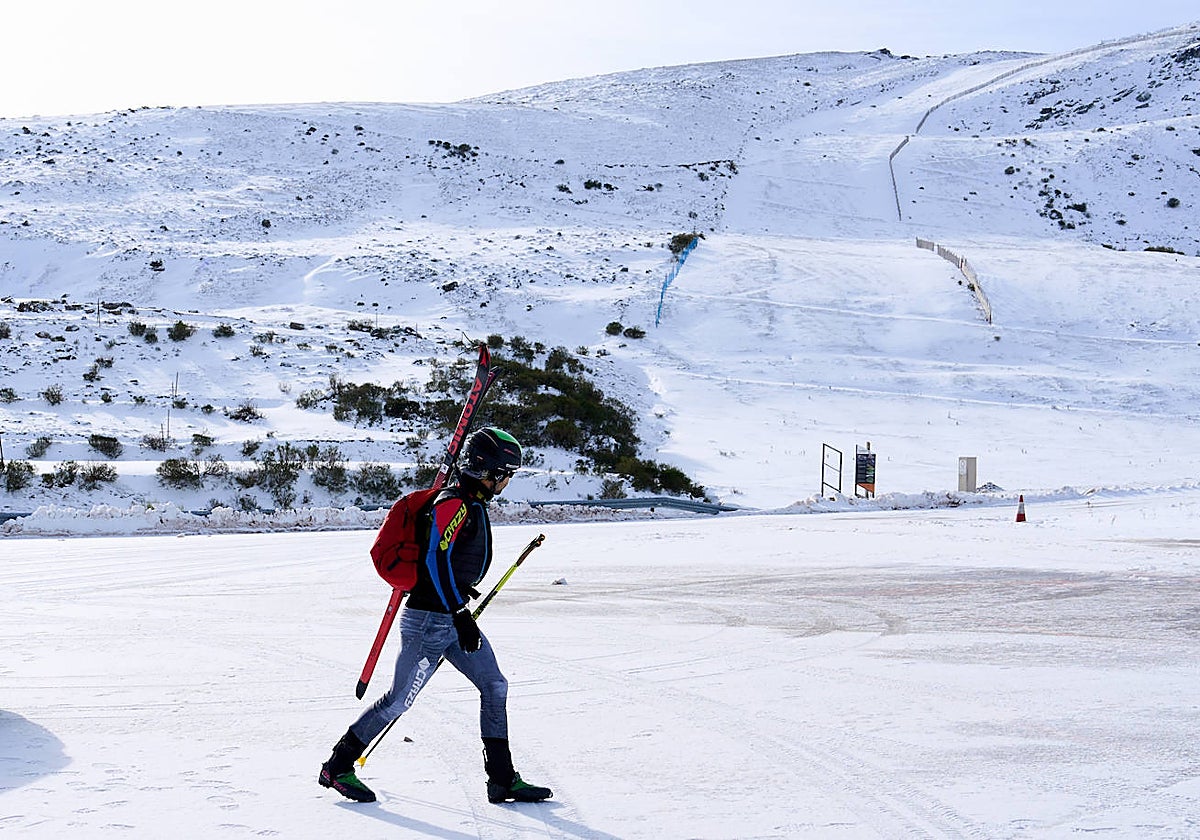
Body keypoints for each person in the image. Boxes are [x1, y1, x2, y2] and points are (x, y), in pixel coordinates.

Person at [319, 427, 552, 805]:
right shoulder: (453, 503)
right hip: (429, 620)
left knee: (495, 686)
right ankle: (338, 766)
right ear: (486, 470)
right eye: (505, 473)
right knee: (398, 701)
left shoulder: (470, 502)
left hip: (452, 618)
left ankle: (502, 779)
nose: (507, 481)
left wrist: (459, 610)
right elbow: (435, 558)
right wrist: (459, 611)